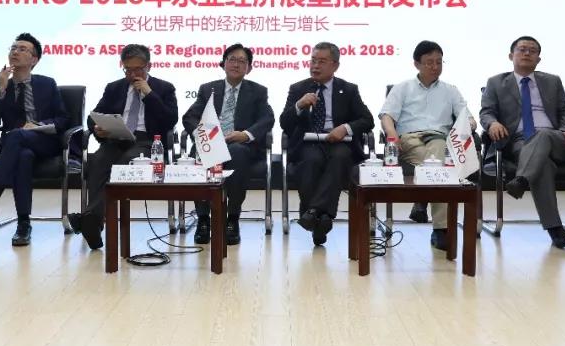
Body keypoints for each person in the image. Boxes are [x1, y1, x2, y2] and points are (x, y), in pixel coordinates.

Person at [479, 36, 565, 249]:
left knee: (543, 135)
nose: (527, 53)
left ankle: (522, 179)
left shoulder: (552, 81)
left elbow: (564, 112)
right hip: (519, 141)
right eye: (522, 49)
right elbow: (486, 112)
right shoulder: (496, 82)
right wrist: (493, 123)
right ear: (511, 55)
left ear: (538, 59)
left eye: (532, 51)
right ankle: (555, 229)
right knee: (544, 166)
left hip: (554, 139)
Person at [380, 40, 474, 251]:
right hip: (409, 139)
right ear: (417, 64)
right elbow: (386, 116)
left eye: (439, 62)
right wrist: (392, 134)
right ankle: (441, 229)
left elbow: (466, 117)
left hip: (439, 139)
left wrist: (470, 124)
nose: (435, 67)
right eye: (429, 62)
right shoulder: (402, 88)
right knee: (439, 165)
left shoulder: (450, 90)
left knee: (438, 151)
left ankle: (424, 202)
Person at [82, 44, 179, 250]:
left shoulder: (164, 88)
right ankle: (93, 220)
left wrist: (149, 94)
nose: (133, 75)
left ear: (148, 66)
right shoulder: (114, 88)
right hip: (116, 138)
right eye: (128, 70)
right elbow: (94, 116)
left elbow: (170, 120)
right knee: (98, 161)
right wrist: (97, 128)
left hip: (147, 141)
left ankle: (91, 218)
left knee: (124, 164)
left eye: (138, 69)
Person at [0, 33, 71, 247]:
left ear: (34, 59)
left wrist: (37, 126)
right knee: (24, 155)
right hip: (15, 148)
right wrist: (1, 89)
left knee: (18, 135)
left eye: (22, 49)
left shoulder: (47, 84)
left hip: (44, 142)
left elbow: (63, 119)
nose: (15, 52)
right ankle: (23, 224)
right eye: (13, 48)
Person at [280, 41, 374, 246]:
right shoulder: (298, 88)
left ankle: (312, 213)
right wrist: (299, 105)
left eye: (322, 62)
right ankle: (322, 217)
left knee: (340, 157)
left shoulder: (348, 89)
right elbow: (284, 124)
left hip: (339, 142)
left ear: (335, 65)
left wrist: (345, 128)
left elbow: (367, 120)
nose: (315, 66)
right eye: (313, 60)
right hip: (308, 142)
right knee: (311, 160)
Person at [181, 44, 275, 246]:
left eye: (242, 61)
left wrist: (246, 134)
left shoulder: (258, 91)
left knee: (237, 152)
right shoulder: (208, 89)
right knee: (202, 151)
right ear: (223, 63)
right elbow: (190, 117)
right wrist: (202, 135)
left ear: (249, 68)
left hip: (240, 145)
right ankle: (203, 219)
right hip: (210, 142)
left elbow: (267, 119)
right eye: (232, 59)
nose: (236, 64)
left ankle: (232, 218)